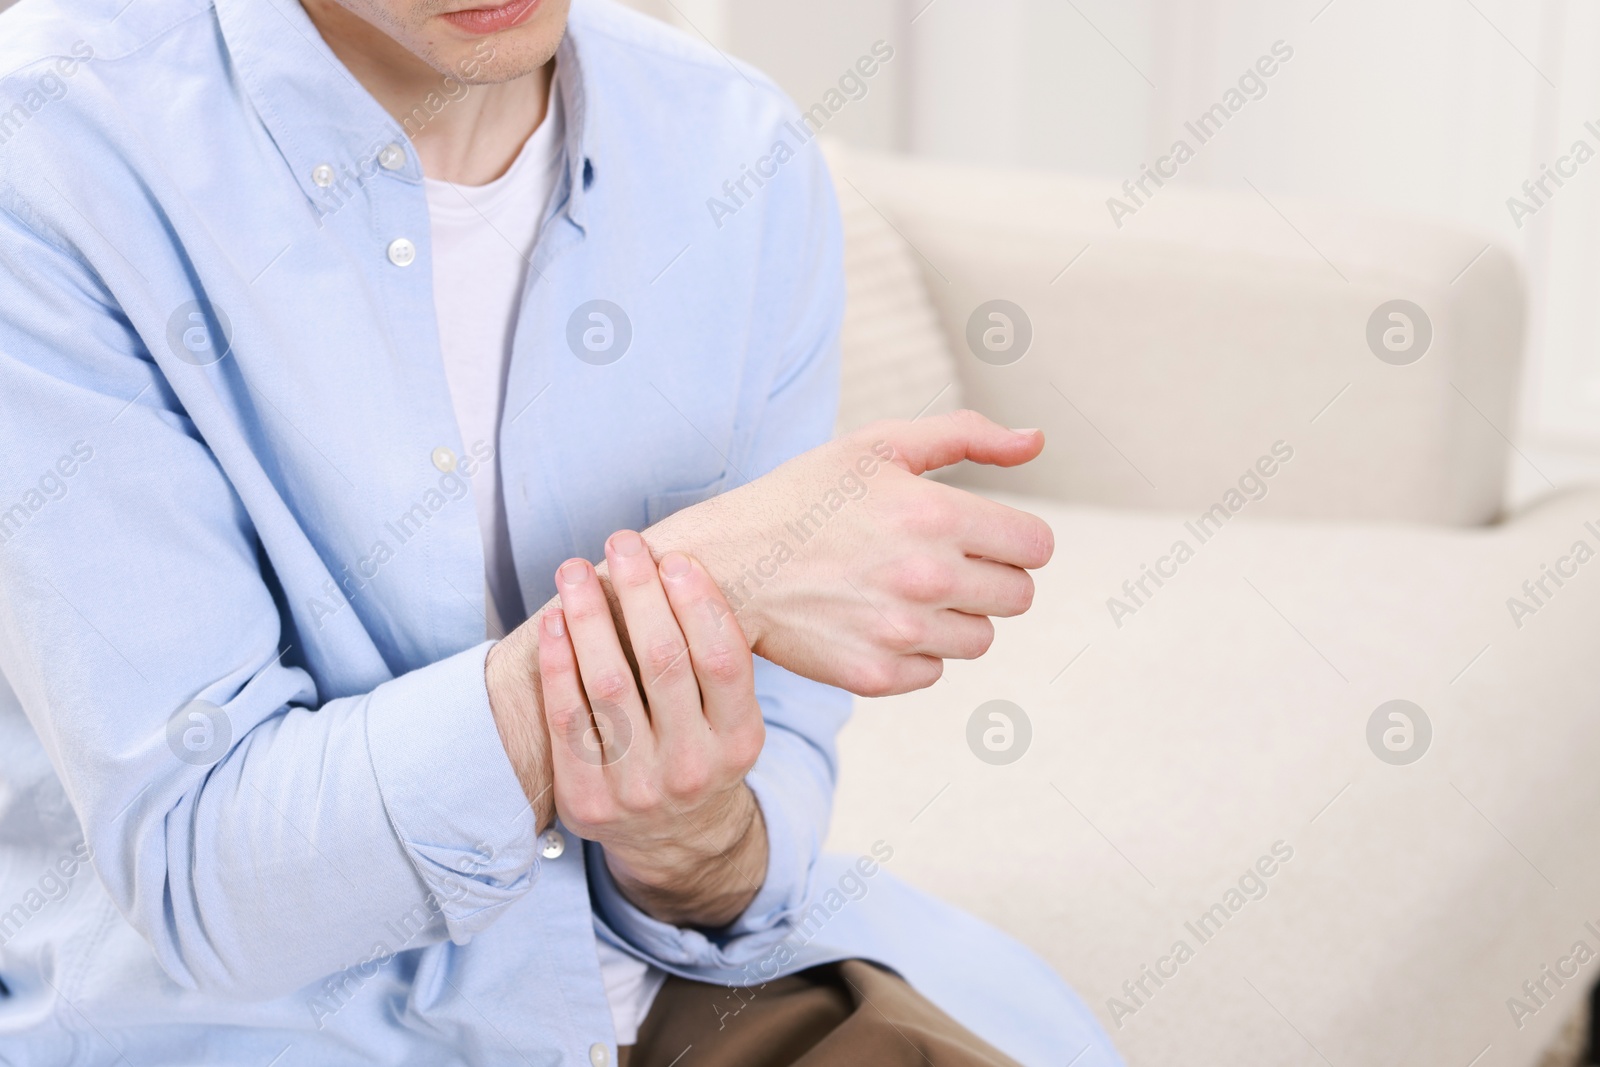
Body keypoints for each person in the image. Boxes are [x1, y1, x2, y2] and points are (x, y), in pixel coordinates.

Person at [0, 0, 1121, 1062]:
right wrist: (706, 586)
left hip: (676, 991)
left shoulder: (736, 150)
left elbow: (748, 866)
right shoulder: (54, 157)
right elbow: (210, 874)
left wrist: (685, 843)